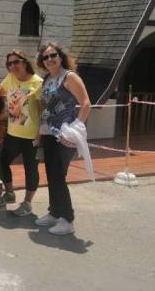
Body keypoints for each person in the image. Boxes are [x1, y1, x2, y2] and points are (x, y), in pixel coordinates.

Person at [0, 50, 43, 216]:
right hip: (13, 133)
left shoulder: (38, 82)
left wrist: (40, 135)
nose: (13, 66)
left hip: (31, 135)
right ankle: (10, 193)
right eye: (9, 63)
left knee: (30, 170)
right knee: (2, 161)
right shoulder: (11, 78)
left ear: (25, 62)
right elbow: (0, 91)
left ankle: (27, 203)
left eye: (16, 62)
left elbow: (42, 110)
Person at [35, 42, 91, 235]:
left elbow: (86, 104)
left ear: (60, 57)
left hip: (65, 135)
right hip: (49, 133)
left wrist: (76, 127)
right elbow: (44, 105)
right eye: (45, 57)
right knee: (51, 174)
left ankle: (67, 219)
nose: (49, 59)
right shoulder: (47, 79)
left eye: (53, 55)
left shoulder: (70, 76)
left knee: (59, 175)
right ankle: (54, 212)